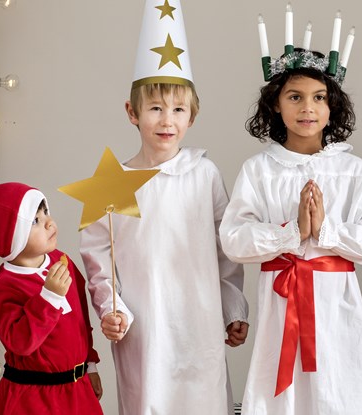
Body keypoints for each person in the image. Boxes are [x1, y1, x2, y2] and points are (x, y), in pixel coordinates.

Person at [79, 1, 248, 414]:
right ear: (132, 113)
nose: (166, 120)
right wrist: (110, 307)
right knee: (148, 400)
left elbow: (224, 248)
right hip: (145, 325)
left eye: (177, 109)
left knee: (203, 399)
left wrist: (232, 309)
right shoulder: (111, 182)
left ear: (192, 115)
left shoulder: (203, 174)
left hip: (199, 318)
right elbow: (98, 257)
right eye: (155, 108)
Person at [219, 46, 362, 414]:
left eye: (319, 98)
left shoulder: (353, 171)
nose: (308, 108)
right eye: (295, 97)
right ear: (275, 104)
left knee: (335, 386)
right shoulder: (260, 170)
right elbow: (234, 238)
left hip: (336, 304)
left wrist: (326, 231)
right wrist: (292, 232)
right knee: (281, 393)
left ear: (332, 106)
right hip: (281, 303)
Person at [0, 182, 103, 415]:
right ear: (10, 236)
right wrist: (48, 297)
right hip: (32, 399)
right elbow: (20, 343)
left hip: (77, 393)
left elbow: (81, 322)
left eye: (45, 212)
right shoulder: (5, 286)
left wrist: (90, 365)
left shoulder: (62, 261)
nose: (49, 222)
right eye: (35, 221)